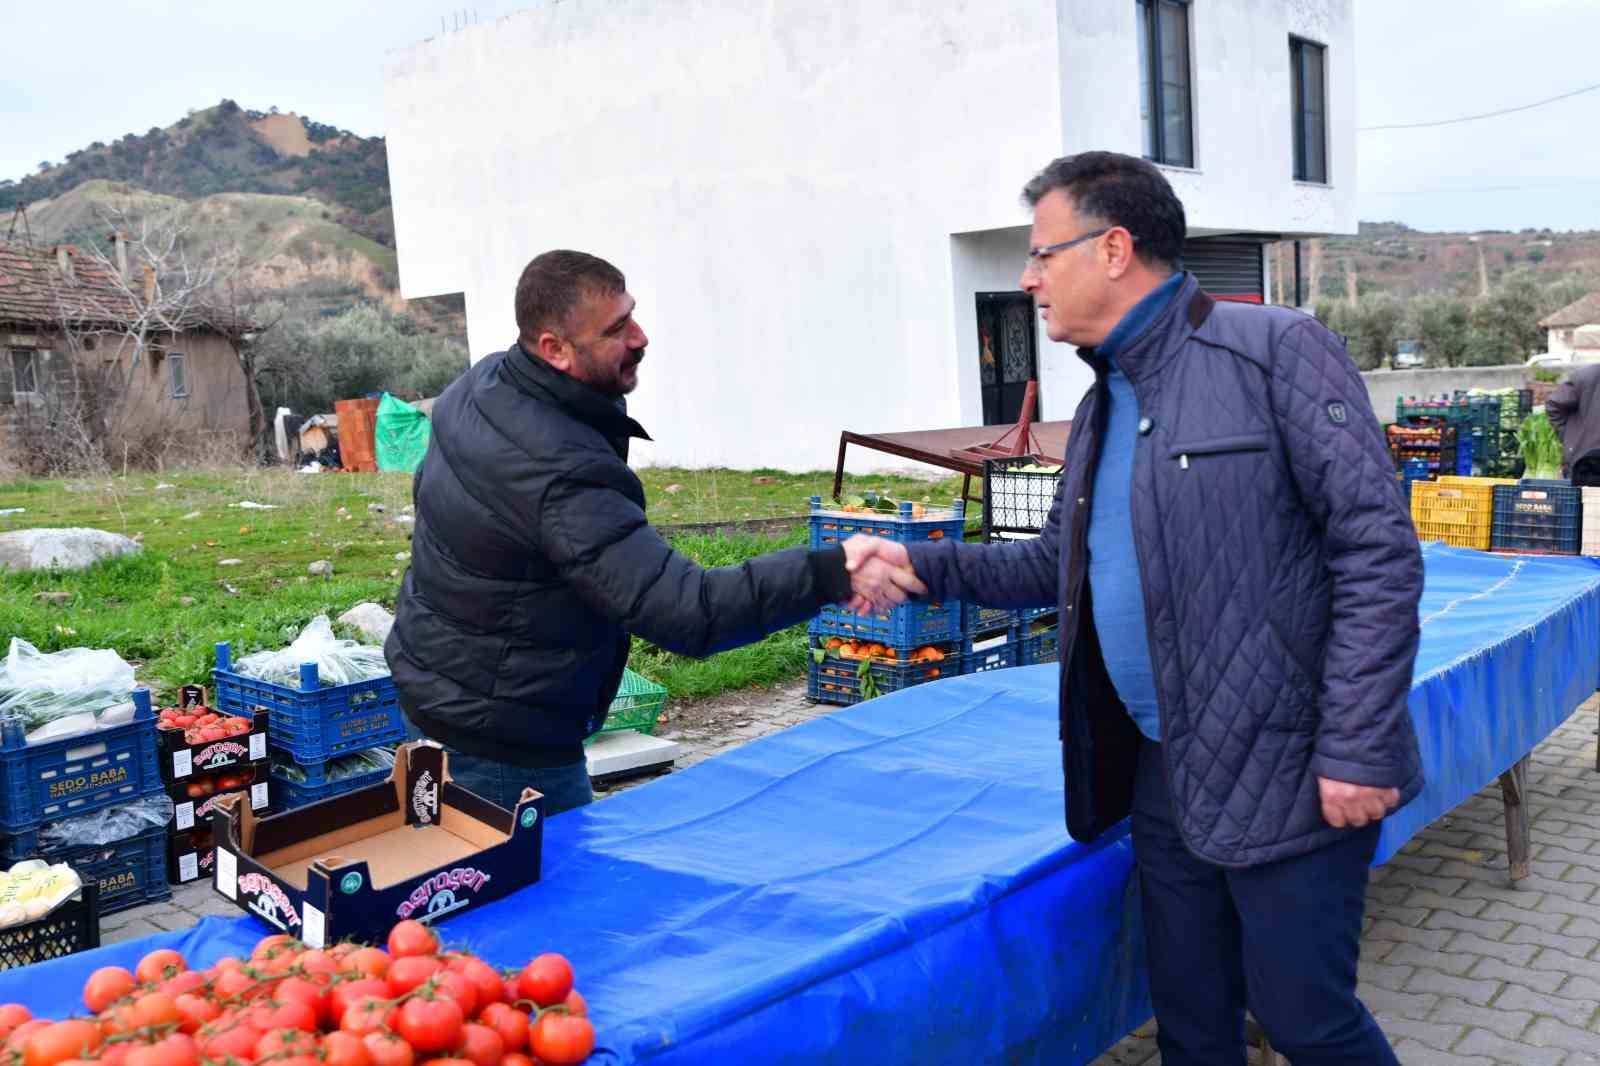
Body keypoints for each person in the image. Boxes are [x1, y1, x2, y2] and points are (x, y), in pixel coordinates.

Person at [849, 152, 1423, 1064]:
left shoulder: (1273, 351)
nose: (1029, 277)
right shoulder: (1105, 398)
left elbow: (1377, 554)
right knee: (1191, 1020)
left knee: (1305, 1017)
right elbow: (1053, 568)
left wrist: (1357, 744)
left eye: (1044, 253)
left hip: (1290, 761)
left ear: (1114, 249)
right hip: (1165, 767)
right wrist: (916, 564)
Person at [385, 250, 918, 816]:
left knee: (456, 887)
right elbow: (688, 611)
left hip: (438, 692)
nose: (640, 338)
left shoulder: (486, 383)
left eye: (632, 314)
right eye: (616, 330)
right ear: (553, 349)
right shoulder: (560, 471)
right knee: (547, 898)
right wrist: (830, 571)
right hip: (502, 745)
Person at [1544, 363, 1600, 478]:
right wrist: (1569, 435)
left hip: (1586, 460)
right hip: (1587, 463)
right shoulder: (1587, 376)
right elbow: (1554, 406)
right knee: (1586, 494)